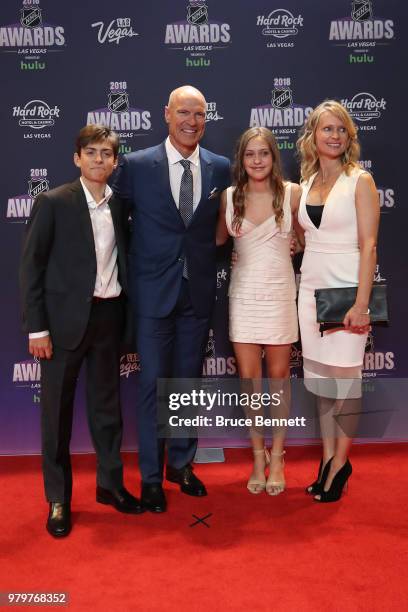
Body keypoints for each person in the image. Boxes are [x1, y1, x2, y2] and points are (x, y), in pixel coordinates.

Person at [19, 125, 143, 538]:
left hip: (109, 318)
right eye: (90, 152)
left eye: (106, 153)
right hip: (62, 323)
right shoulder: (53, 202)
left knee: (107, 410)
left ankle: (110, 486)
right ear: (77, 158)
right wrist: (37, 328)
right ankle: (58, 499)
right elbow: (31, 268)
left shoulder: (120, 204)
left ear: (115, 161)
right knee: (56, 414)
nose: (98, 160)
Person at [113, 85, 231, 513]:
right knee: (152, 388)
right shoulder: (137, 165)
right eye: (184, 112)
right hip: (151, 294)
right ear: (166, 114)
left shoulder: (220, 168)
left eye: (199, 114)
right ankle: (149, 478)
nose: (191, 122)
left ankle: (180, 465)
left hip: (197, 292)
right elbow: (116, 227)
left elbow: (220, 226)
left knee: (186, 387)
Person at [296, 100, 380, 502]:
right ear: (313, 134)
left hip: (347, 292)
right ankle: (328, 460)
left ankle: (342, 463)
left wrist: (361, 304)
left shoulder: (358, 180)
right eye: (327, 128)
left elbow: (369, 244)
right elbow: (304, 237)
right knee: (322, 384)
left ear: (350, 137)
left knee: (345, 382)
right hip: (310, 292)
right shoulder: (308, 180)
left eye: (341, 130)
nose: (334, 136)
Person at [216, 127, 302, 495]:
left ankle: (278, 455)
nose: (256, 160)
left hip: (280, 293)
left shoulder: (293, 193)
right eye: (250, 154)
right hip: (244, 295)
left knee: (279, 379)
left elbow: (304, 237)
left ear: (273, 157)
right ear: (242, 159)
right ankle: (257, 455)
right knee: (250, 382)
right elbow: (219, 239)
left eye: (263, 154)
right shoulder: (229, 196)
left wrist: (295, 242)